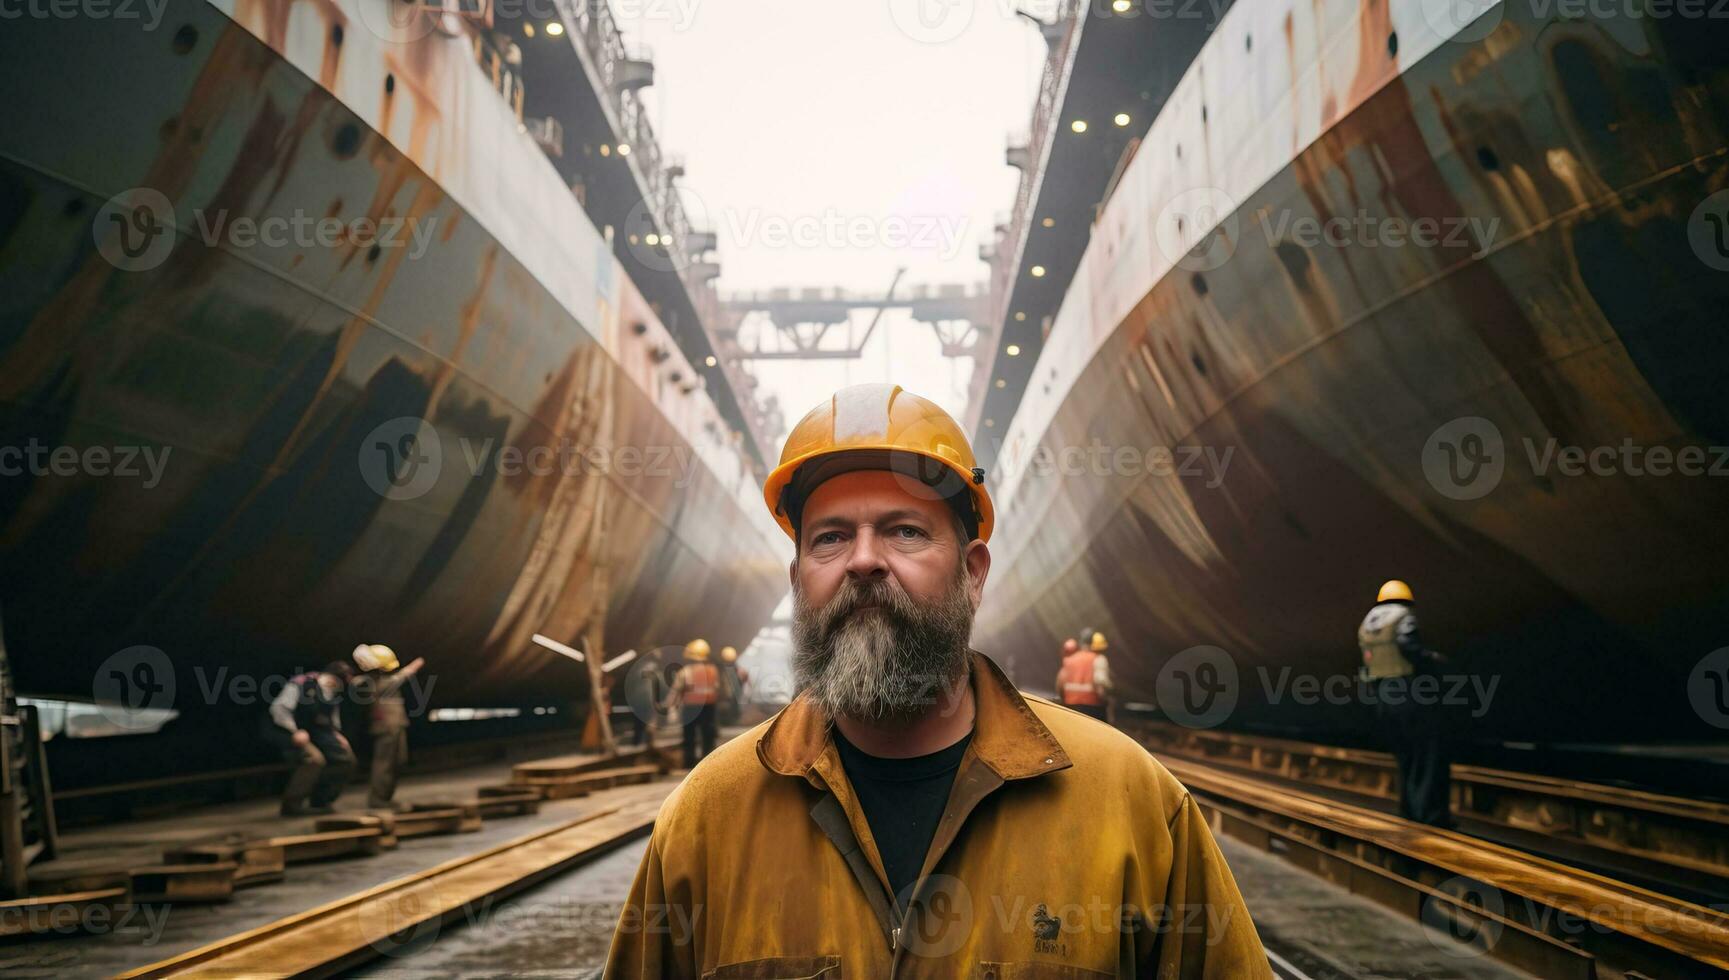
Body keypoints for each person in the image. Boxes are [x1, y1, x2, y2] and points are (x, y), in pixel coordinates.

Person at [607, 383, 1268, 976]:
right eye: (830, 538)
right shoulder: (708, 817)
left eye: (903, 532)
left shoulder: (1129, 801)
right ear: (798, 579)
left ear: (972, 574)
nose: (863, 561)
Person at [1358, 579, 1451, 827]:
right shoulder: (1403, 616)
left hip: (1381, 695)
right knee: (1428, 752)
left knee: (1405, 755)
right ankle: (1430, 815)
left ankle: (1408, 810)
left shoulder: (1369, 621)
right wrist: (1431, 659)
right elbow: (1408, 645)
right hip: (1407, 691)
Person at [263, 661, 356, 817]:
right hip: (288, 730)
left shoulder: (333, 691)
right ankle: (292, 806)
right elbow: (279, 709)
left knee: (347, 759)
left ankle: (321, 801)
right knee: (314, 759)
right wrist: (294, 730)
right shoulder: (302, 684)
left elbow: (331, 715)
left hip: (317, 733)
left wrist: (336, 733)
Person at [349, 644, 425, 812]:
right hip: (385, 728)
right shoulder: (369, 683)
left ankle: (385, 797)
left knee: (399, 761)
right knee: (384, 765)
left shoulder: (379, 681)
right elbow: (400, 677)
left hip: (396, 725)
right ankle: (378, 799)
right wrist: (414, 666)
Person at [664, 638, 720, 767]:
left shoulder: (686, 671)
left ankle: (689, 763)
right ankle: (708, 764)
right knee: (708, 736)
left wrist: (669, 707)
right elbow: (717, 688)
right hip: (709, 707)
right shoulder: (713, 670)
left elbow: (676, 691)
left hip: (691, 707)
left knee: (689, 736)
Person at [1056, 631, 1113, 721]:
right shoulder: (1098, 659)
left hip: (1071, 706)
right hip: (1093, 708)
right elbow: (1100, 684)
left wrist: (1064, 701)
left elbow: (1060, 684)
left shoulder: (1069, 660)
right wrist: (1107, 701)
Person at [717, 645, 745, 726]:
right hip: (730, 696)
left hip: (730, 696)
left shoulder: (723, 669)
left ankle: (729, 721)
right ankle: (730, 721)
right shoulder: (736, 669)